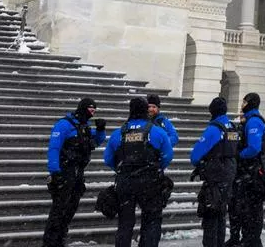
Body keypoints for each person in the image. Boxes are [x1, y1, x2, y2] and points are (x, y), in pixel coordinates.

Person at [104, 97, 174, 247]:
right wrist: (155, 167)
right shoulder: (157, 132)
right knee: (151, 221)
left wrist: (122, 169)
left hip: (125, 183)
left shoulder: (119, 133)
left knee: (125, 223)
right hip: (150, 183)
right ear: (145, 110)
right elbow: (167, 155)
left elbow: (108, 158)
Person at [44, 97, 106, 247]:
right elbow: (54, 148)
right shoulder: (64, 125)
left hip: (78, 174)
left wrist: (100, 131)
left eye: (94, 109)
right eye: (90, 109)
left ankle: (60, 240)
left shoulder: (84, 127)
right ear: (83, 108)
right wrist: (55, 171)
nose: (92, 112)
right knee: (58, 211)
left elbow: (95, 142)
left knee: (70, 210)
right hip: (64, 172)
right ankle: (50, 243)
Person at [190, 97, 238, 247]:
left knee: (211, 215)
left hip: (216, 176)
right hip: (229, 173)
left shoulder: (214, 129)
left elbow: (195, 155)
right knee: (221, 214)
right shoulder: (231, 127)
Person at [228, 92, 265, 247]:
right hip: (250, 171)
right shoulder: (250, 120)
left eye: (244, 102)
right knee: (247, 208)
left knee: (250, 209)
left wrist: (238, 155)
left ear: (250, 103)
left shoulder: (253, 122)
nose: (242, 104)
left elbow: (253, 147)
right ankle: (247, 239)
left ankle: (250, 240)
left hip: (251, 172)